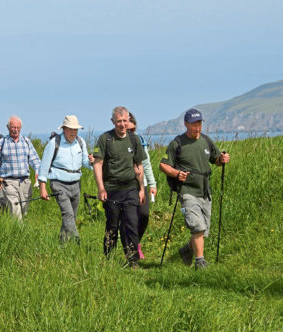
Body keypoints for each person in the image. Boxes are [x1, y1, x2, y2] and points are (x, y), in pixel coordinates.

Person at [159, 108, 230, 269]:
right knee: (198, 227)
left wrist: (222, 159)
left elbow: (216, 160)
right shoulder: (177, 143)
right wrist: (177, 174)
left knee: (204, 232)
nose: (197, 127)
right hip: (187, 191)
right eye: (193, 124)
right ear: (186, 124)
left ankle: (186, 250)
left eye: (199, 124)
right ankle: (200, 262)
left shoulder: (206, 140)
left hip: (205, 191)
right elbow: (163, 165)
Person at [92, 106, 146, 269]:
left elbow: (139, 166)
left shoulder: (134, 139)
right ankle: (108, 257)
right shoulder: (105, 139)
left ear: (129, 120)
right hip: (111, 189)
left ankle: (132, 260)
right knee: (113, 225)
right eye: (119, 121)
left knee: (131, 224)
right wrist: (101, 188)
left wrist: (141, 189)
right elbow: (98, 164)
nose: (122, 124)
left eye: (125, 121)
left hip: (130, 189)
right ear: (113, 121)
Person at [38, 115, 93, 243]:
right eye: (70, 129)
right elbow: (44, 166)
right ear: (64, 129)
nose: (73, 132)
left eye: (75, 129)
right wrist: (42, 188)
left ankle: (62, 244)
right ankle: (77, 242)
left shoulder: (80, 142)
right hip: (58, 184)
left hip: (76, 183)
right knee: (67, 214)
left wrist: (91, 162)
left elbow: (85, 162)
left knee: (71, 217)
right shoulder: (54, 143)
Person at [0, 116, 41, 221]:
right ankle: (20, 231)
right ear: (8, 127)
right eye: (13, 127)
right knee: (15, 209)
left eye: (18, 127)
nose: (15, 130)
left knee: (24, 211)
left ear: (21, 128)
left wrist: (37, 172)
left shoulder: (26, 141)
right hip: (9, 182)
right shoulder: (2, 142)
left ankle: (21, 231)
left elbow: (35, 160)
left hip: (25, 182)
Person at [127, 113, 157, 259]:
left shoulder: (140, 141)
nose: (130, 133)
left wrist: (152, 184)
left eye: (132, 130)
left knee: (144, 215)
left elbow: (146, 164)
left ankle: (136, 242)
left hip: (142, 183)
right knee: (130, 218)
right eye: (128, 130)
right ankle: (131, 248)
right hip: (125, 185)